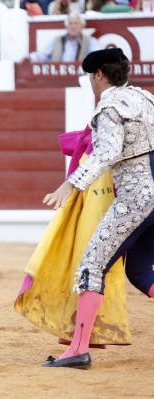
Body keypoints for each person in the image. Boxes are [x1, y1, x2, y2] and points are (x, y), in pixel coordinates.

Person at [41, 48, 154, 368]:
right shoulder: (145, 99)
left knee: (91, 266)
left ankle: (77, 349)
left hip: (137, 197)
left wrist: (70, 184)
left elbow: (105, 153)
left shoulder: (109, 107)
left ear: (99, 75)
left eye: (91, 77)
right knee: (140, 271)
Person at [29, 13, 99, 63]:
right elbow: (42, 55)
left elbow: (97, 57)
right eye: (70, 23)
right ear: (66, 26)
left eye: (76, 23)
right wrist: (29, 58)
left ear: (82, 26)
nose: (73, 26)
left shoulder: (90, 41)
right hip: (58, 78)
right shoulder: (57, 40)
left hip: (81, 78)